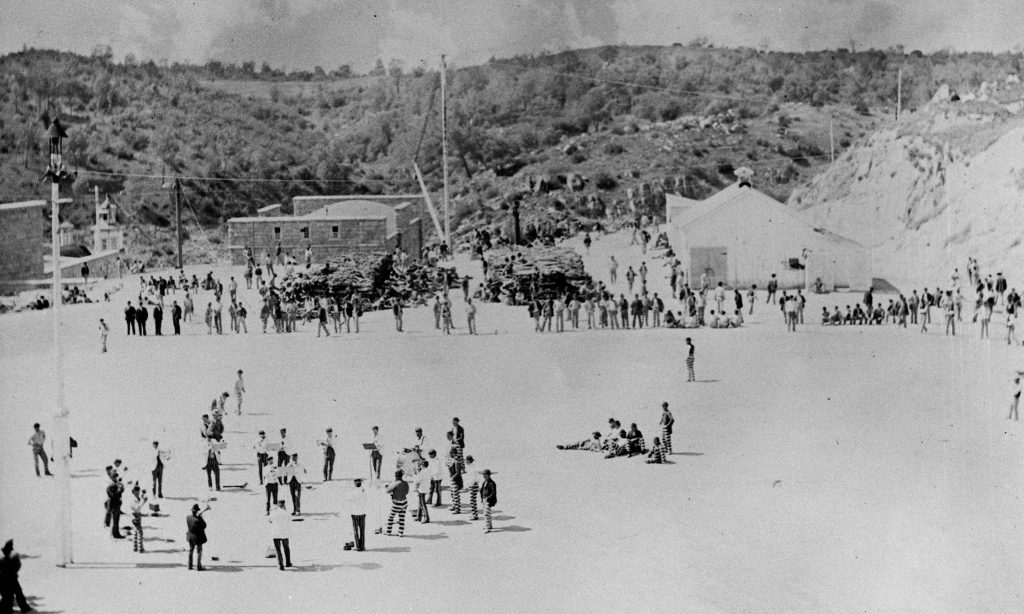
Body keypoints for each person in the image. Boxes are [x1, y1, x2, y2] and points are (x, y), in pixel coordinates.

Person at [384, 470, 410, 537]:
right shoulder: (406, 483)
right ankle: (400, 533)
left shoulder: (395, 483)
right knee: (402, 518)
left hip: (396, 503)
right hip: (404, 502)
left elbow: (387, 491)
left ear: (396, 476)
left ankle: (388, 531)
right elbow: (407, 492)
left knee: (390, 517)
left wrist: (388, 486)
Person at [269, 500, 293, 570]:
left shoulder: (273, 512)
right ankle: (288, 562)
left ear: (278, 505)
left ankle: (280, 564)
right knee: (286, 547)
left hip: (276, 532)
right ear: (284, 505)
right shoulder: (287, 512)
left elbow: (270, 520)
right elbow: (290, 520)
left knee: (278, 548)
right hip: (285, 532)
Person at [345, 478, 368, 551]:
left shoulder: (353, 491)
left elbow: (348, 499)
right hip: (362, 512)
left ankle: (357, 546)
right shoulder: (364, 490)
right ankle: (362, 546)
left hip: (354, 512)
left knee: (355, 530)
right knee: (362, 530)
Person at [186, 504, 208, 571]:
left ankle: (189, 565)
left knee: (191, 550)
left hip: (190, 536)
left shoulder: (188, 517)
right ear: (197, 511)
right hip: (198, 538)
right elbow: (204, 526)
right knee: (199, 551)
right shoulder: (198, 520)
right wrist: (201, 517)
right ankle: (199, 566)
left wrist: (198, 517)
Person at [129, 484, 148, 553]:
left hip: (136, 515)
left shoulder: (136, 498)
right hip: (135, 516)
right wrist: (143, 500)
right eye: (136, 490)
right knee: (140, 532)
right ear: (133, 491)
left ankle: (135, 547)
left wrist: (143, 499)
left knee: (136, 531)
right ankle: (140, 548)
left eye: (138, 490)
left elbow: (140, 504)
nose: (137, 492)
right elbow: (138, 507)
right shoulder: (133, 499)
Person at [479, 469, 497, 533]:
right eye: (483, 475)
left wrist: (488, 498)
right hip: (484, 499)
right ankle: (489, 525)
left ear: (488, 475)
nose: (483, 476)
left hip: (488, 500)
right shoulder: (484, 482)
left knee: (486, 513)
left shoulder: (492, 483)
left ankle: (487, 527)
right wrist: (482, 499)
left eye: (485, 475)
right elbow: (481, 490)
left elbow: (493, 493)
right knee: (486, 513)